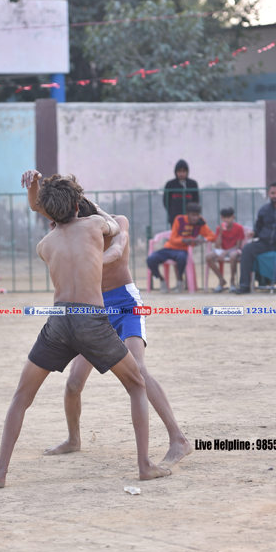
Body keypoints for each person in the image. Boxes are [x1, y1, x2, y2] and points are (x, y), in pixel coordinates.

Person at [0, 173, 170, 488]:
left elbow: (48, 214)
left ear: (50, 215)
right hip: (91, 319)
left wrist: (37, 190)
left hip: (59, 321)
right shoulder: (94, 226)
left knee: (22, 396)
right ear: (78, 205)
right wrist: (90, 209)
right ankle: (145, 465)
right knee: (136, 384)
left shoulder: (44, 245)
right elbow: (115, 226)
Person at [42, 196, 193, 467]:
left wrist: (87, 257)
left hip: (124, 303)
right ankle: (74, 439)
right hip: (93, 306)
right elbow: (43, 211)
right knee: (73, 382)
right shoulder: (75, 232)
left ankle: (178, 439)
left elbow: (113, 253)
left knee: (138, 369)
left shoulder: (117, 222)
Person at [147, 202, 215, 293]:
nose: (195, 218)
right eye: (193, 215)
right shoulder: (179, 220)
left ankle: (179, 281)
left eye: (197, 215)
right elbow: (173, 239)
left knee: (182, 258)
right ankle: (162, 280)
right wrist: (184, 240)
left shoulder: (200, 222)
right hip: (169, 248)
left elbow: (212, 236)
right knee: (151, 259)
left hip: (183, 250)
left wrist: (203, 240)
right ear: (187, 214)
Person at [206, 207, 246, 292]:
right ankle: (221, 280)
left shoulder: (239, 228)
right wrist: (220, 233)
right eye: (224, 217)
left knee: (233, 255)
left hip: (234, 250)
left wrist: (225, 253)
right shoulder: (219, 228)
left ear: (233, 217)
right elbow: (217, 246)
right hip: (223, 249)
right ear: (221, 218)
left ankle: (232, 281)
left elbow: (238, 246)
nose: (226, 220)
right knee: (208, 256)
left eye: (228, 217)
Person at [163, 160, 199, 225]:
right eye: (179, 171)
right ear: (176, 172)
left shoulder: (193, 184)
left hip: (190, 218)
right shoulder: (170, 184)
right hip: (175, 217)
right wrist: (172, 212)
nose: (181, 174)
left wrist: (193, 214)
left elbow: (196, 200)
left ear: (187, 172)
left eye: (184, 171)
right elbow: (166, 201)